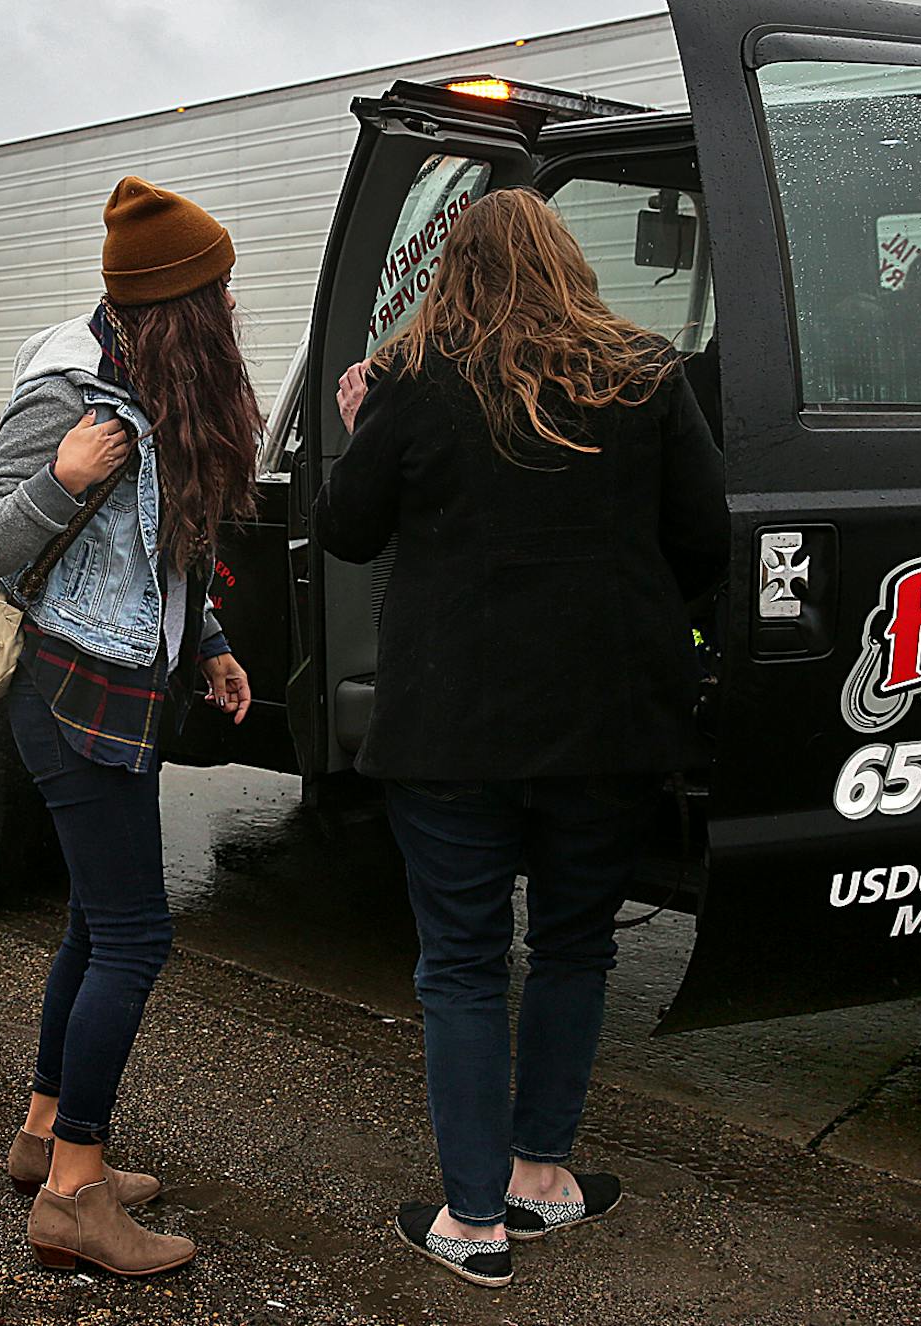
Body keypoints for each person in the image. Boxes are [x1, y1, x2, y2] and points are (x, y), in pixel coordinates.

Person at [317, 188, 726, 1289]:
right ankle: (542, 1171)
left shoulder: (409, 380)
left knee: (459, 961)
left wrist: (365, 429)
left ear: (453, 269)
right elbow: (704, 538)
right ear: (569, 261)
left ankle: (473, 1218)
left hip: (452, 727)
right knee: (576, 948)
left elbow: (347, 528)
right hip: (610, 720)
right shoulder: (645, 371)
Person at [0, 177, 262, 1279]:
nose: (230, 311)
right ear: (178, 303)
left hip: (126, 685)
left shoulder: (155, 376)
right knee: (135, 935)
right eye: (217, 294)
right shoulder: (71, 391)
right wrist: (61, 479)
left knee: (97, 918)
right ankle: (77, 1193)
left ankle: (45, 1134)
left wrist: (211, 639)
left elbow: (163, 543)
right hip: (73, 699)